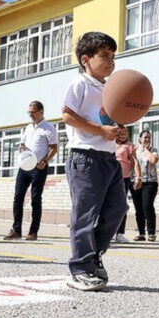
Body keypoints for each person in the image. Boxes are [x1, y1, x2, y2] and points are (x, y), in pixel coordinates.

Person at [62, 31, 128, 291]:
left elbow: (111, 123)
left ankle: (94, 255)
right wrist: (100, 131)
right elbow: (67, 116)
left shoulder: (110, 88)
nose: (111, 61)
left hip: (108, 159)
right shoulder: (80, 84)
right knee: (85, 215)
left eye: (113, 56)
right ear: (86, 59)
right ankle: (79, 268)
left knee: (118, 208)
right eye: (105, 56)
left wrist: (119, 132)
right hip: (85, 158)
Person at [4, 101, 58, 241]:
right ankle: (16, 230)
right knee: (18, 198)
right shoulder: (28, 128)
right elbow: (22, 144)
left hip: (39, 168)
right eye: (29, 112)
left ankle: (33, 232)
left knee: (35, 199)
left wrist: (44, 162)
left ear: (41, 112)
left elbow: (54, 148)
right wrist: (21, 148)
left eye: (33, 112)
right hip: (24, 166)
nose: (31, 115)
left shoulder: (49, 128)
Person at [114, 127, 141, 244]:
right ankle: (105, 232)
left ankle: (120, 233)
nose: (123, 134)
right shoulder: (109, 143)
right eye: (121, 132)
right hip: (109, 178)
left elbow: (134, 161)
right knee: (107, 205)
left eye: (126, 132)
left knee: (121, 205)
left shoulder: (129, 145)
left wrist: (138, 176)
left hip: (124, 178)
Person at [131, 130, 159, 242]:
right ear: (139, 139)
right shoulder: (135, 151)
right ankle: (141, 233)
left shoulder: (153, 150)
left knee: (147, 206)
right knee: (138, 208)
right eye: (145, 137)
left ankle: (151, 233)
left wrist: (146, 149)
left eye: (149, 138)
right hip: (137, 181)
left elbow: (153, 160)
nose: (147, 140)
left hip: (150, 182)